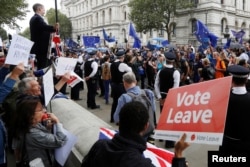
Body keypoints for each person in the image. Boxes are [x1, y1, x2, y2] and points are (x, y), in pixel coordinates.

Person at [81, 101, 189, 167]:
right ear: (146, 126)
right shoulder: (141, 163)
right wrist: (178, 155)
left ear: (119, 122)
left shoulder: (100, 145)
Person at [12, 96, 67, 166]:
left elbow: (16, 148)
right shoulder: (33, 134)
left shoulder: (22, 125)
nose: (44, 111)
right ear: (31, 114)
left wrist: (47, 129)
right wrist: (57, 122)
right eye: (40, 110)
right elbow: (60, 140)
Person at [113, 72, 156, 138]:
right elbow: (153, 109)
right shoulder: (148, 93)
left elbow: (116, 118)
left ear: (124, 83)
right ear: (135, 81)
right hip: (146, 129)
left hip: (131, 133)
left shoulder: (124, 97)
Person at [219, 65, 250, 152]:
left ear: (230, 79)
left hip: (227, 143)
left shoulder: (223, 98)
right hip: (246, 144)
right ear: (246, 80)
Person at [154, 51, 180, 148]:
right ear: (173, 61)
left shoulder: (161, 71)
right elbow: (175, 88)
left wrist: (160, 97)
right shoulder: (176, 72)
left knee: (163, 117)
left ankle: (161, 135)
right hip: (171, 98)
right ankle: (169, 142)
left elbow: (156, 85)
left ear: (166, 60)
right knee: (170, 119)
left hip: (162, 97)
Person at [30, 3, 59, 70]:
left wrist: (52, 31)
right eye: (43, 9)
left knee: (42, 66)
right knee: (43, 67)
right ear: (39, 9)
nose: (44, 11)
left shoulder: (35, 18)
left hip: (39, 48)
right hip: (41, 48)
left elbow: (43, 29)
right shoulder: (37, 18)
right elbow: (44, 27)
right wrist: (54, 28)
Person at [110, 49, 132, 122]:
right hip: (120, 85)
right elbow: (130, 71)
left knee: (115, 102)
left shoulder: (112, 64)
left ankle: (112, 117)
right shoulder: (122, 64)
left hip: (113, 84)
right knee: (121, 102)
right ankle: (120, 118)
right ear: (122, 57)